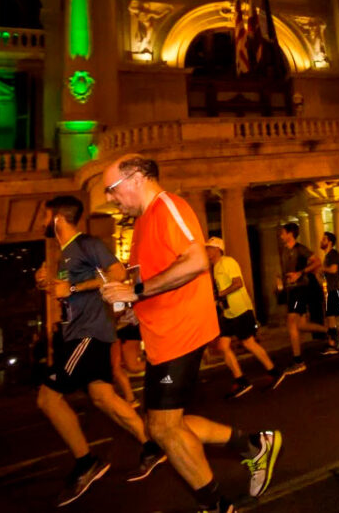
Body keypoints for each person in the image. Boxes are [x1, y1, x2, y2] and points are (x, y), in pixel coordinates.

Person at [98, 155, 281, 513]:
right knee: (166, 425)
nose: (111, 198)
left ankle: (216, 505)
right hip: (161, 335)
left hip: (181, 332)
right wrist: (131, 301)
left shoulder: (168, 206)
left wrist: (137, 292)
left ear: (136, 178)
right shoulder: (142, 223)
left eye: (112, 189)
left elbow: (196, 261)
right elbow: (151, 281)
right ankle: (255, 445)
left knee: (164, 429)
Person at [33, 194, 165, 506]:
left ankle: (86, 463)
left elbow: (118, 274)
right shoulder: (64, 254)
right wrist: (50, 284)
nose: (41, 222)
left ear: (57, 218)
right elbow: (69, 293)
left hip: (88, 335)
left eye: (43, 216)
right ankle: (151, 446)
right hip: (79, 334)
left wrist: (73, 287)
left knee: (48, 398)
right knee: (103, 397)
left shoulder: (86, 244)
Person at [205, 237, 276, 397]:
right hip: (229, 313)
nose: (206, 251)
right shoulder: (216, 266)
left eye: (209, 248)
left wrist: (218, 295)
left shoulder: (227, 262)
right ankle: (241, 380)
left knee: (249, 343)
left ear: (217, 249)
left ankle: (273, 371)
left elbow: (238, 283)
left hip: (241, 310)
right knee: (223, 346)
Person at [276, 223, 330, 379]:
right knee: (300, 325)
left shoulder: (300, 248)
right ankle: (330, 331)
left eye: (283, 233)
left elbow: (317, 261)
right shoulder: (285, 250)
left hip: (300, 288)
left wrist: (300, 273)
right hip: (291, 289)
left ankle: (298, 361)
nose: (281, 235)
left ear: (290, 234)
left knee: (291, 321)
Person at [319, 232, 339, 354]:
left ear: (330, 242)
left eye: (324, 239)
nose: (321, 240)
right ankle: (332, 343)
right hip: (333, 289)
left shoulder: (333, 254)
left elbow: (334, 269)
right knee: (330, 316)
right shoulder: (327, 256)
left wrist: (323, 269)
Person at [111, 305, 144, 407]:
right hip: (114, 328)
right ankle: (130, 399)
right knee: (116, 367)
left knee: (132, 366)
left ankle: (164, 365)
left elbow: (120, 309)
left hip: (129, 326)